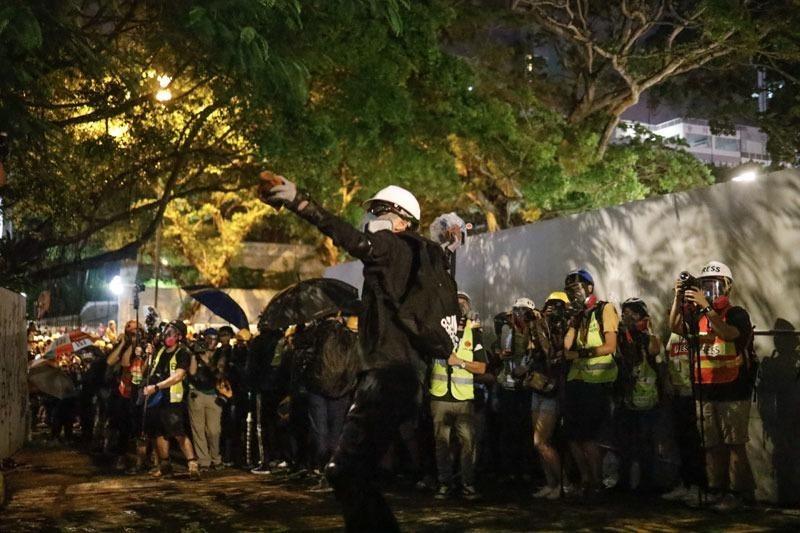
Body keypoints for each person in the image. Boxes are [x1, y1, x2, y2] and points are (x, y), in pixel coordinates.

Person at [259, 172, 446, 532]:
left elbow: (351, 239)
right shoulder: (417, 255)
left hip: (387, 376)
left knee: (344, 471)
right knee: (353, 473)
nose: (371, 218)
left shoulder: (392, 247)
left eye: (378, 210)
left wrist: (301, 203)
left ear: (400, 217)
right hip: (401, 377)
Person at [669, 261, 756, 510]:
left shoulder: (736, 313)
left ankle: (739, 493)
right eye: (705, 286)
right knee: (711, 444)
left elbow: (729, 334)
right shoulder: (698, 316)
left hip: (733, 388)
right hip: (705, 388)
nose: (710, 291)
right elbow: (675, 326)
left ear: (727, 287)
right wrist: (677, 298)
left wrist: (707, 308)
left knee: (734, 443)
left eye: (715, 286)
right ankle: (717, 490)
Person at [562, 269, 619, 500]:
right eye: (570, 291)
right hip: (576, 380)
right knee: (573, 435)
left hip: (597, 382)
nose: (574, 295)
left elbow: (610, 345)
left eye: (576, 289)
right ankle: (585, 478)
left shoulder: (604, 309)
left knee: (590, 436)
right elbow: (566, 348)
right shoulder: (577, 315)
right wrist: (572, 321)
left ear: (588, 288)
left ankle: (596, 481)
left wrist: (582, 353)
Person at [429, 291, 486, 501]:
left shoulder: (474, 332)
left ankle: (467, 484)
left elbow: (481, 367)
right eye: (456, 302)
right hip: (440, 396)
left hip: (463, 399)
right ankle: (444, 483)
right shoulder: (437, 330)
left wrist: (460, 362)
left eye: (464, 302)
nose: (460, 305)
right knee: (441, 444)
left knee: (468, 443)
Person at [613, 297, 663, 492]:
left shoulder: (646, 336)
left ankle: (646, 484)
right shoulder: (620, 336)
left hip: (646, 399)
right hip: (624, 396)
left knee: (645, 443)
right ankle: (624, 481)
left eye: (633, 313)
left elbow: (654, 350)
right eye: (625, 312)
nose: (628, 317)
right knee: (623, 443)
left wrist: (647, 328)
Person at [142, 320, 200, 480]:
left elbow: (178, 376)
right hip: (156, 399)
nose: (167, 334)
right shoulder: (159, 351)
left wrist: (157, 387)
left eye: (171, 332)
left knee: (178, 432)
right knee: (159, 433)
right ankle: (165, 465)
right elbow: (145, 371)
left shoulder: (183, 353)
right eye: (166, 331)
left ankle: (192, 464)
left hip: (172, 399)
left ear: (179, 336)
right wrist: (148, 355)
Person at [530, 291, 570, 499]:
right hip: (539, 386)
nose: (552, 310)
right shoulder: (539, 327)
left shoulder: (568, 328)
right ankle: (551, 482)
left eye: (557, 305)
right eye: (550, 305)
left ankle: (563, 482)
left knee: (541, 441)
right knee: (538, 442)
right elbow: (535, 351)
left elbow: (559, 353)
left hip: (554, 388)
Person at [187, 328, 225, 471]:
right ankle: (204, 461)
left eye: (214, 338)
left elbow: (219, 373)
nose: (210, 341)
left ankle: (216, 458)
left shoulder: (220, 354)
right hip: (196, 393)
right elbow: (192, 372)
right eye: (208, 338)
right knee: (198, 429)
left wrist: (206, 360)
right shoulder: (197, 354)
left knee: (214, 430)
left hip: (213, 394)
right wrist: (194, 355)